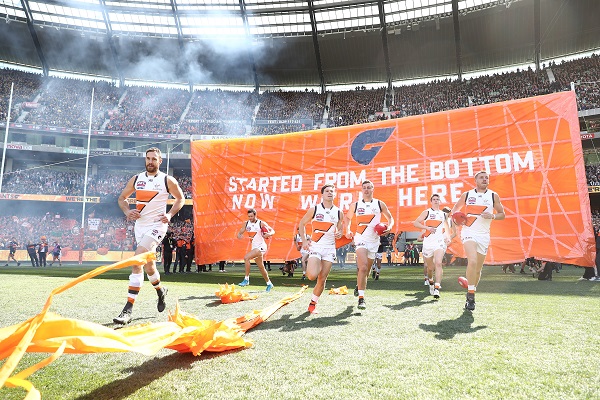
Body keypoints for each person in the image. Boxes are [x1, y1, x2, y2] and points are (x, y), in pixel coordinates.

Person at [113, 147, 185, 325]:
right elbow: (122, 198)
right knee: (149, 267)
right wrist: (127, 211)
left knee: (137, 259)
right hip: (140, 226)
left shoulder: (167, 180)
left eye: (154, 159)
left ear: (160, 161)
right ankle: (161, 290)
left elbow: (180, 199)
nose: (150, 161)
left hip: (157, 226)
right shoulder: (137, 179)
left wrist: (169, 215)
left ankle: (127, 310)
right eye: (148, 158)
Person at [450, 170, 505, 311]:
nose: (485, 179)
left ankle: (471, 289)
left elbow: (502, 214)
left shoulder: (493, 196)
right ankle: (470, 297)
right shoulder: (467, 195)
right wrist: (456, 219)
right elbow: (455, 210)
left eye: (486, 177)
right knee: (472, 261)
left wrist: (492, 216)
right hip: (469, 232)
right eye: (481, 177)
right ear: (476, 180)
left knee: (478, 269)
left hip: (484, 235)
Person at [344, 180, 394, 310]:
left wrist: (389, 226)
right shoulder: (355, 205)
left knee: (365, 271)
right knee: (364, 267)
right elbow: (348, 218)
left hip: (374, 241)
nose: (366, 190)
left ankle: (358, 286)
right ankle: (361, 299)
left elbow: (390, 218)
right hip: (360, 238)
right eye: (364, 188)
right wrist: (348, 230)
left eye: (369, 188)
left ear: (373, 189)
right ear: (362, 190)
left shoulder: (379, 204)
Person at [298, 184, 343, 314]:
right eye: (327, 191)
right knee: (312, 275)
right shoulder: (315, 209)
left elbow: (340, 229)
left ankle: (313, 303)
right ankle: (311, 267)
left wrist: (339, 233)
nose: (330, 193)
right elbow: (301, 224)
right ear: (322, 194)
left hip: (330, 248)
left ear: (334, 194)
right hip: (316, 246)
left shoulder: (338, 212)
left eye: (332, 191)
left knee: (322, 278)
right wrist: (304, 240)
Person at [413, 194, 454, 299]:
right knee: (430, 268)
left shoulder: (443, 215)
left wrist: (448, 237)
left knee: (439, 263)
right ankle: (430, 281)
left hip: (439, 242)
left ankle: (437, 288)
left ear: (440, 201)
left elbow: (446, 227)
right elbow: (416, 223)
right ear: (431, 201)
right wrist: (427, 227)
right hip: (428, 243)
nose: (436, 201)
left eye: (437, 199)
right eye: (434, 199)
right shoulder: (427, 212)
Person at [236, 208, 275, 292]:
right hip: (254, 247)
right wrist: (239, 235)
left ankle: (246, 279)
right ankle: (269, 283)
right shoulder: (246, 224)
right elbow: (240, 233)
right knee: (261, 267)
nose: (250, 218)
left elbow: (272, 231)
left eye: (251, 216)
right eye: (249, 216)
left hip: (261, 247)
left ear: (255, 215)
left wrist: (268, 233)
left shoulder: (261, 223)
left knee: (246, 258)